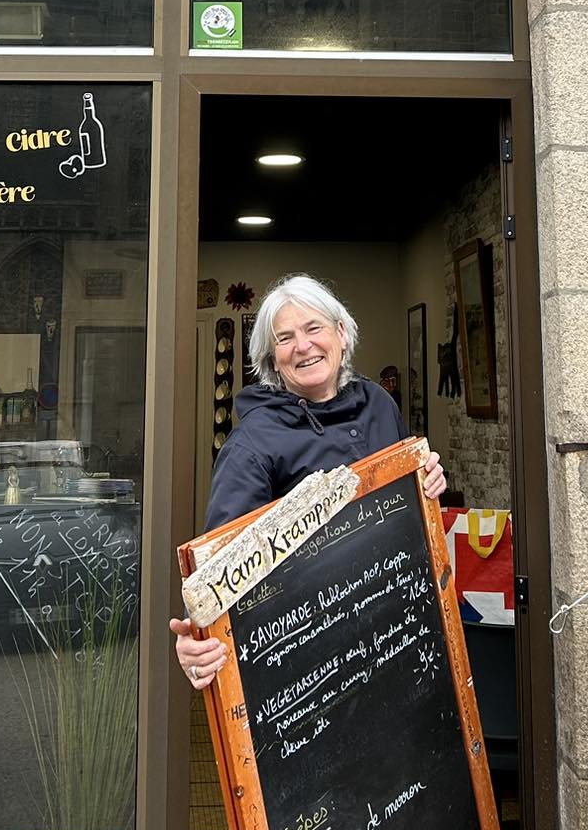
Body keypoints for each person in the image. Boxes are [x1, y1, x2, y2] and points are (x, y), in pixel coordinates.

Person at [171, 274, 445, 689]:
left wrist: (428, 483)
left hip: (399, 634)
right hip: (310, 667)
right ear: (272, 359)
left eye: (313, 328)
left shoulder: (379, 404)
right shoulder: (252, 444)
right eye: (285, 338)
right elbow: (221, 567)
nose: (302, 345)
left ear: (341, 333)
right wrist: (197, 639)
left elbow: (407, 504)